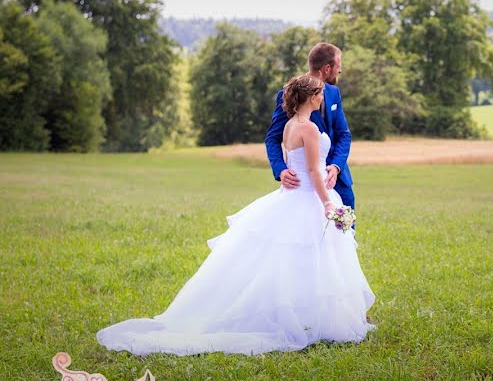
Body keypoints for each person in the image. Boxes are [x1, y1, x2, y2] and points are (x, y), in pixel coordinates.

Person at [96, 75, 376, 356]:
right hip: (307, 198)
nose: (322, 98)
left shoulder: (291, 125)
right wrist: (328, 203)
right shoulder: (310, 129)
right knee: (312, 259)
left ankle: (304, 317)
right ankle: (309, 319)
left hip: (292, 197)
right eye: (318, 94)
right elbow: (315, 171)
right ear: (310, 97)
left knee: (293, 261)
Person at [266, 42, 354, 210]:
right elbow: (273, 138)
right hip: (304, 184)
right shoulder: (290, 94)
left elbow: (344, 134)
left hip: (338, 179)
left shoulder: (334, 93)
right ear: (327, 68)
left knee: (344, 233)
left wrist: (336, 166)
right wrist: (281, 169)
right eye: (338, 66)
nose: (340, 70)